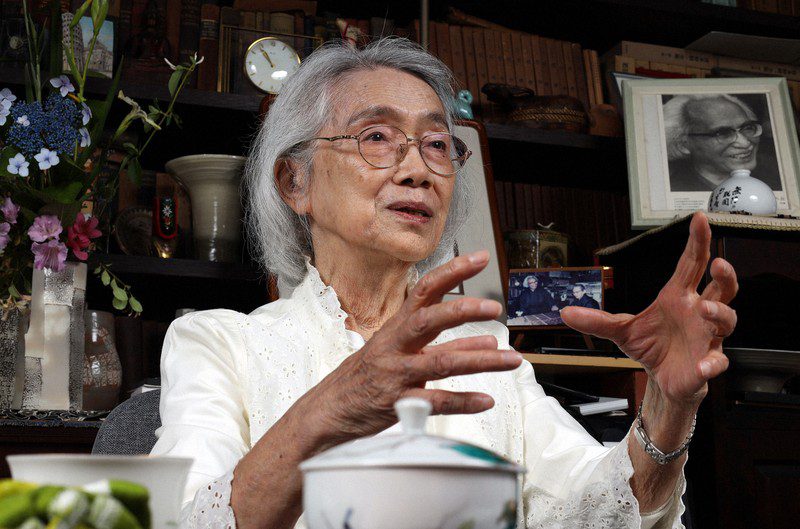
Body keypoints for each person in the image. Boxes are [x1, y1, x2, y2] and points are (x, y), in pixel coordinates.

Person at [151, 39, 739, 529]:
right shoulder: (217, 344)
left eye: (436, 145)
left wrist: (668, 406)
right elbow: (184, 520)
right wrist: (336, 405)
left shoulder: (483, 351)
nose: (417, 170)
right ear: (294, 182)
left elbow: (595, 510)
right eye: (376, 136)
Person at [663, 93, 781, 191]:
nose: (745, 143)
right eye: (723, 133)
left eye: (747, 128)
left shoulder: (776, 175)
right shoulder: (675, 190)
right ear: (683, 145)